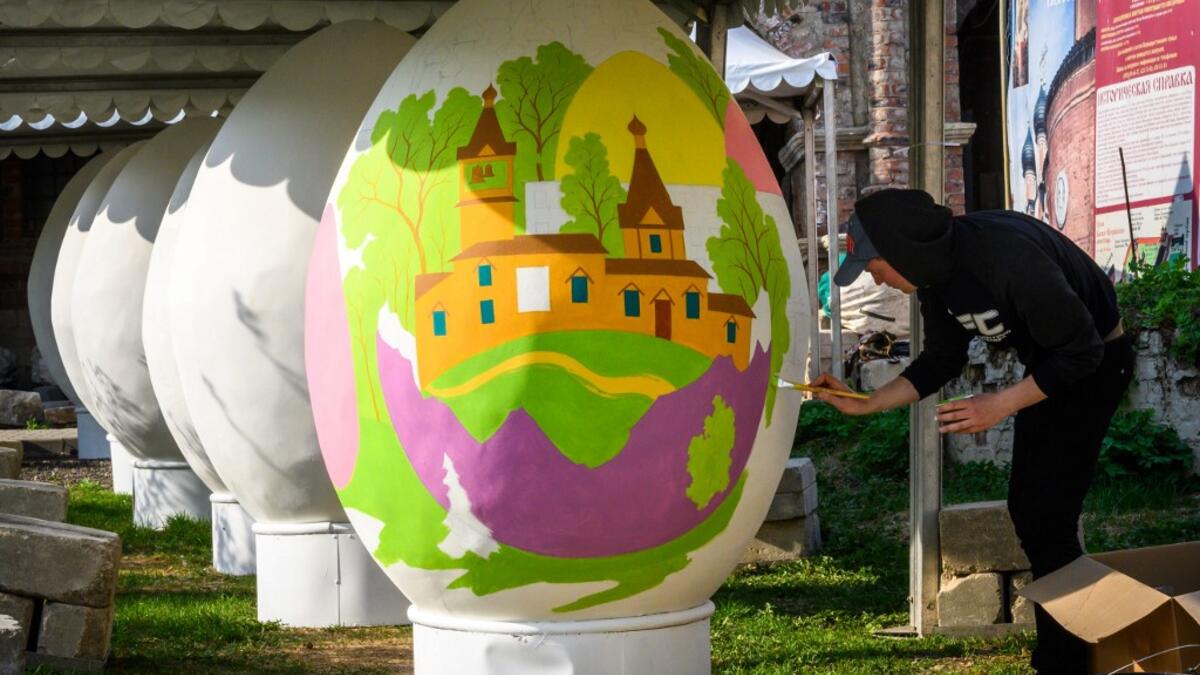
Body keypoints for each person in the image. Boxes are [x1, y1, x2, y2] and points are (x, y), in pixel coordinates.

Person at [812, 189, 1133, 674]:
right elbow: (942, 357)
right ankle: (1067, 654)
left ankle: (1069, 657)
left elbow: (1083, 350)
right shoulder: (935, 278)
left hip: (1095, 363)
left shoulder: (1005, 257)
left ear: (902, 252)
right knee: (1033, 511)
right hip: (1053, 364)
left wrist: (1000, 404)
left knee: (1046, 516)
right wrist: (869, 402)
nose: (874, 278)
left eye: (873, 266)